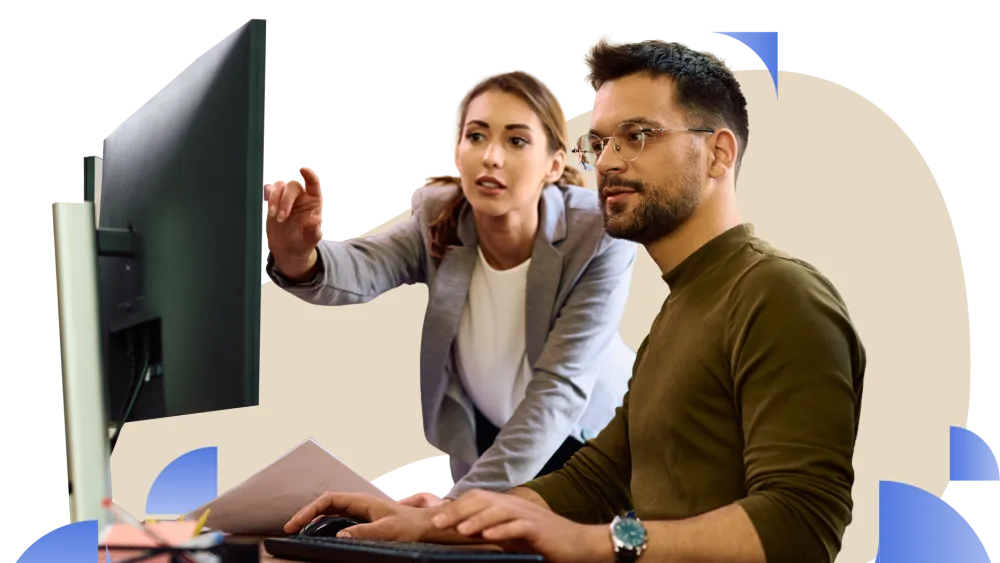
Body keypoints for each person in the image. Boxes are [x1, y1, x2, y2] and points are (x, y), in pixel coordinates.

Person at [283, 35, 867, 563]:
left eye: (637, 135)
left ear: (717, 154)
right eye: (601, 142)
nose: (609, 161)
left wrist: (598, 542)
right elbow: (597, 479)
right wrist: (438, 521)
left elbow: (802, 523)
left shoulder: (779, 293)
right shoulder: (680, 307)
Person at [263, 68, 638, 504]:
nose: (491, 157)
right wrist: (297, 256)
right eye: (476, 137)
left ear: (554, 165)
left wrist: (453, 507)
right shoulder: (440, 217)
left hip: (592, 447)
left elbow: (559, 389)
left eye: (516, 141)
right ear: (458, 154)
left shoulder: (597, 234)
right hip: (492, 443)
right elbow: (363, 267)